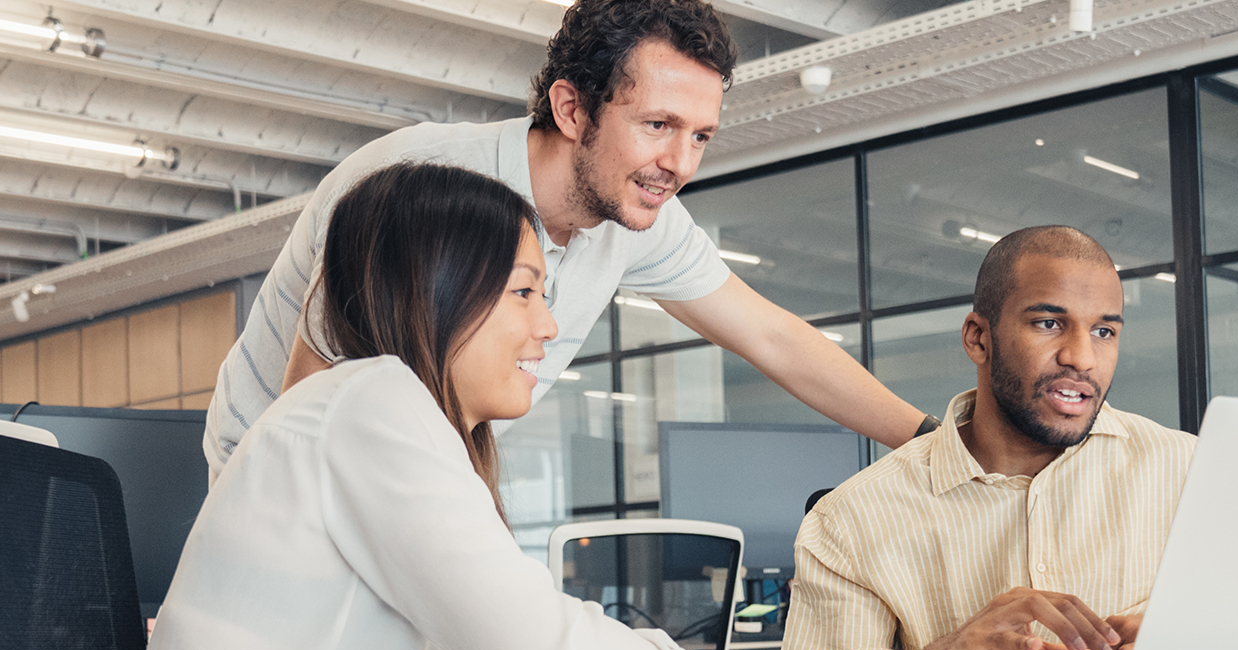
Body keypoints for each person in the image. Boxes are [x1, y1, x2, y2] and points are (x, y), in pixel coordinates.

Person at [203, 0, 930, 480]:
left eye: (699, 136)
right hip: (274, 473)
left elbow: (771, 337)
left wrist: (930, 439)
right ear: (572, 108)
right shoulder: (418, 187)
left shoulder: (635, 217)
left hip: (425, 478)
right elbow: (305, 409)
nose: (678, 164)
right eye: (657, 125)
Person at [145, 163, 692, 650]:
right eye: (523, 291)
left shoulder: (372, 407)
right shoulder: (371, 402)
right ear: (435, 292)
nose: (548, 325)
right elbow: (536, 647)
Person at [780, 226, 1200, 650]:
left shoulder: (1191, 472)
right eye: (1048, 323)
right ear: (979, 338)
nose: (1082, 357)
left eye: (1103, 331)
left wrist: (1197, 644)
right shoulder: (848, 522)